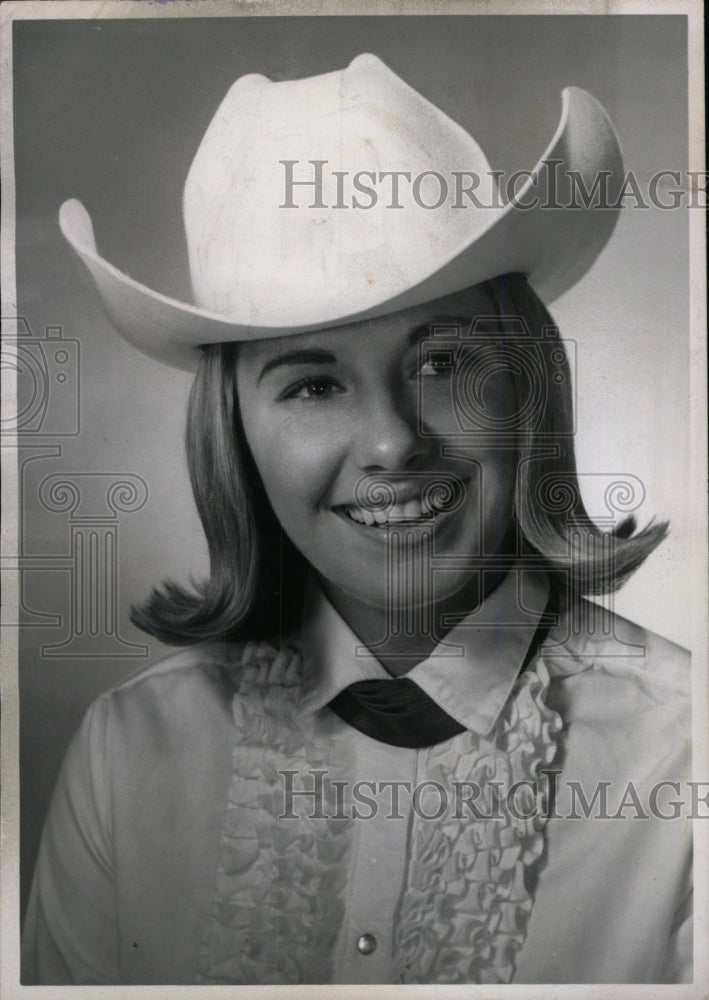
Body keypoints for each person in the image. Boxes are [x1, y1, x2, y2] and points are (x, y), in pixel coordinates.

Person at [21, 54, 691, 985]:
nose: (390, 442)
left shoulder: (685, 752)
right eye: (313, 383)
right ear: (235, 434)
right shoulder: (128, 756)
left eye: (444, 362)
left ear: (528, 381)